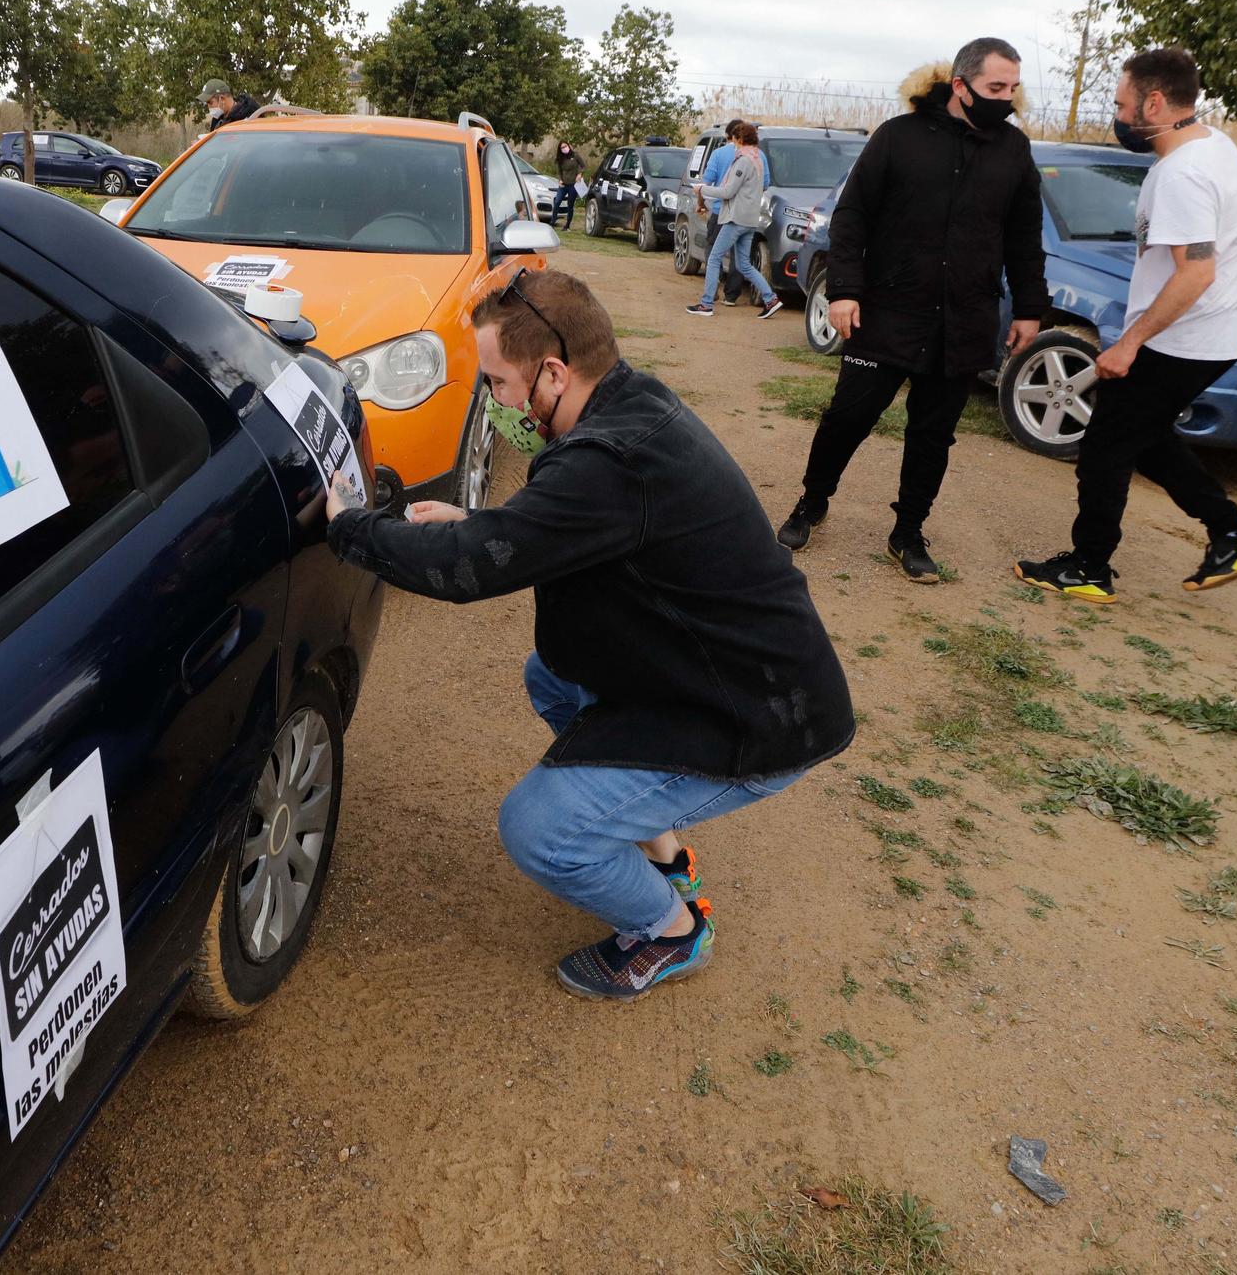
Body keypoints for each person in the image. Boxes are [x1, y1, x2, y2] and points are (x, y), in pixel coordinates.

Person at [322, 269, 854, 1000]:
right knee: (554, 673)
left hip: (764, 719)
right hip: (738, 676)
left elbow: (470, 571)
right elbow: (530, 533)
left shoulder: (610, 464)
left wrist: (350, 526)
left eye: (501, 382)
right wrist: (479, 528)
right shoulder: (630, 405)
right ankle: (662, 849)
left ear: (553, 370)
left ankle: (670, 931)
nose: (495, 400)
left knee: (538, 829)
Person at [773, 38, 1046, 584]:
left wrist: (1030, 308)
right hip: (888, 312)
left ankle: (909, 531)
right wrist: (845, 291)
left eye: (1013, 88)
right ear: (961, 86)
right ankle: (812, 501)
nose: (1008, 98)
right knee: (848, 418)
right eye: (996, 88)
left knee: (933, 435)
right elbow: (851, 217)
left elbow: (1023, 236)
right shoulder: (897, 138)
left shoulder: (1013, 150)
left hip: (964, 320)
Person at [1015, 48, 1237, 601]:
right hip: (1216, 334)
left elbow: (1196, 273)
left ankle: (1088, 567)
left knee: (1105, 448)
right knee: (1147, 436)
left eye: (1120, 102)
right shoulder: (1214, 146)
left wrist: (1130, 343)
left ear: (1153, 102)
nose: (1117, 115)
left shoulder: (1183, 174)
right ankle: (1232, 532)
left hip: (1181, 339)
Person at [685, 122, 783, 320]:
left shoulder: (743, 161)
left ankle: (706, 304)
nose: (733, 142)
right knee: (744, 263)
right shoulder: (758, 159)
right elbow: (762, 186)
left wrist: (702, 189)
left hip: (735, 218)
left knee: (714, 258)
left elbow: (728, 191)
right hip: (750, 218)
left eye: (735, 138)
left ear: (739, 139)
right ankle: (770, 298)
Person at [553, 142, 583, 229]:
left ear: (569, 146)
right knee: (557, 201)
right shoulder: (560, 158)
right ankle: (552, 222)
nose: (564, 148)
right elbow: (559, 171)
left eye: (565, 146)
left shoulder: (576, 156)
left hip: (573, 185)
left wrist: (580, 174)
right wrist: (560, 180)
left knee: (570, 205)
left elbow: (583, 166)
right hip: (563, 185)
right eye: (562, 147)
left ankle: (567, 225)